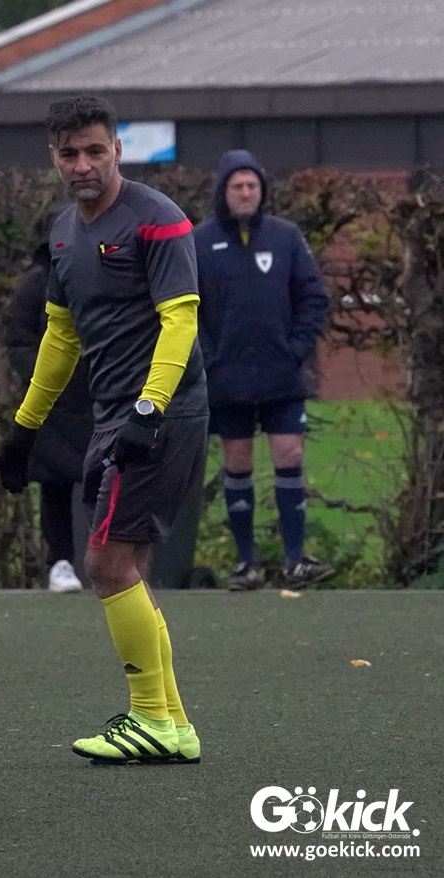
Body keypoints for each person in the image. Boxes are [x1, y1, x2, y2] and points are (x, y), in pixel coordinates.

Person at [0, 96, 208, 765]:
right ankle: (174, 725)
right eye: (69, 153)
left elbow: (180, 319)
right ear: (53, 157)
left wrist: (149, 409)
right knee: (128, 568)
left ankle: (151, 718)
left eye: (94, 150)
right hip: (113, 415)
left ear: (117, 149)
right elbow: (60, 336)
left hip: (159, 414)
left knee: (106, 565)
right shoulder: (63, 231)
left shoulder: (157, 219)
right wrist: (25, 429)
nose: (83, 164)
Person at [194, 150, 334, 591]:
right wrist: (211, 357)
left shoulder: (286, 237)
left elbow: (314, 298)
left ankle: (295, 560)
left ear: (262, 190)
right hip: (228, 378)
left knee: (290, 456)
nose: (245, 192)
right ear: (223, 191)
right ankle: (246, 563)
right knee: (237, 462)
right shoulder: (200, 241)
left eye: (252, 185)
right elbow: (186, 307)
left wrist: (296, 350)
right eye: (237, 186)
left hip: (281, 374)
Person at [2, 227, 92, 592]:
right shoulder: (38, 282)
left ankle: (112, 560)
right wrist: (45, 375)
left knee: (109, 480)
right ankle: (60, 562)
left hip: (103, 396)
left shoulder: (110, 274)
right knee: (55, 485)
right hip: (54, 403)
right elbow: (17, 337)